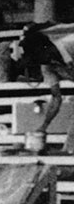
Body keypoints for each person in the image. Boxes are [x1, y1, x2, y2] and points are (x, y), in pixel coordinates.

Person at [17, 24, 74, 152]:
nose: (39, 61)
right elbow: (56, 98)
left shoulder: (71, 44)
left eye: (38, 56)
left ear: (45, 48)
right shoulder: (46, 66)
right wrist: (44, 125)